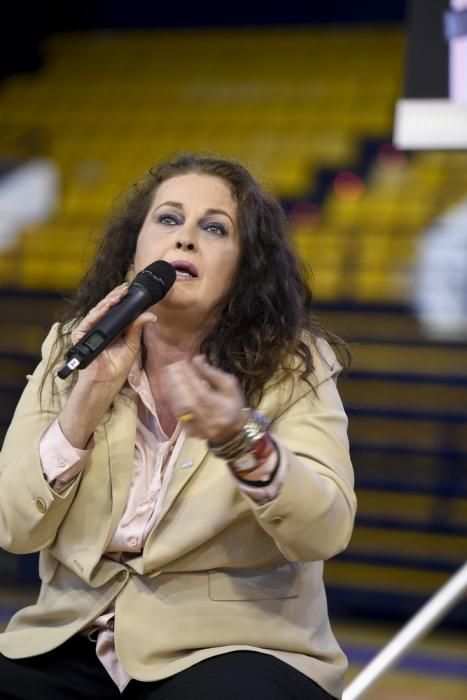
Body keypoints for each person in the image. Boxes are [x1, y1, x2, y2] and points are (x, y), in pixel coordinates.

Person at [0, 153, 356, 699]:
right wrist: (87, 398)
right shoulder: (71, 350)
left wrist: (242, 441)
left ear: (244, 267)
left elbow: (324, 530)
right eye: (168, 220)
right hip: (72, 637)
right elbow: (13, 527)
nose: (185, 239)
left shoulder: (293, 365)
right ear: (134, 253)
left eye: (214, 228)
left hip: (233, 647)